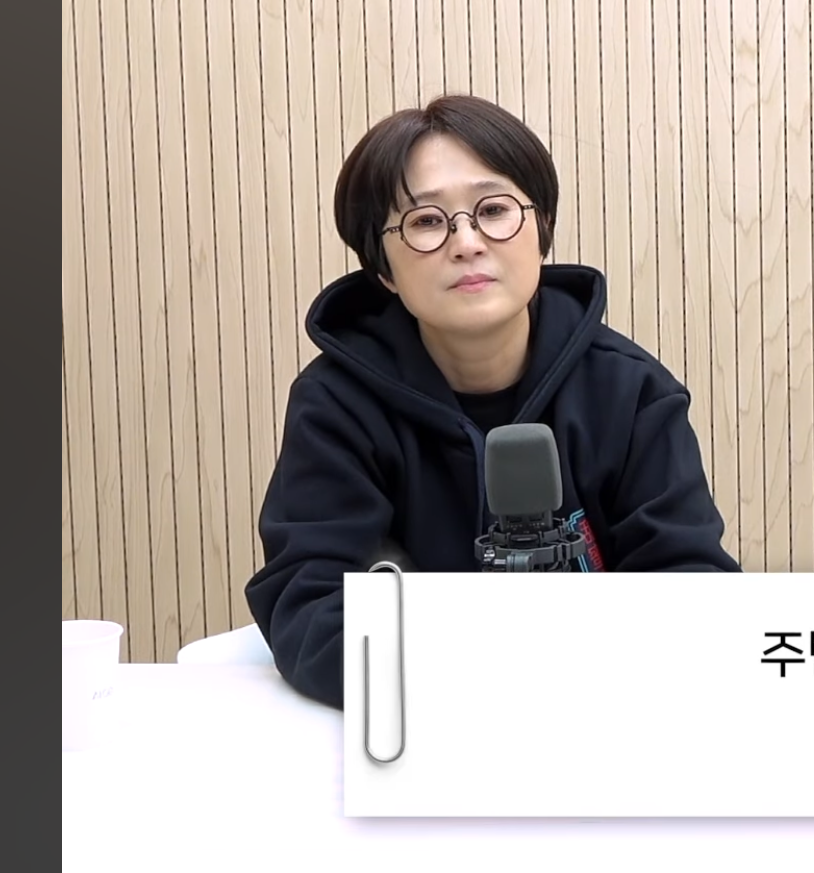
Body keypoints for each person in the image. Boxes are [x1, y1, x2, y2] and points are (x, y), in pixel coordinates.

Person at [247, 94, 740, 708]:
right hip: (423, 728)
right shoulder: (337, 404)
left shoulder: (630, 392)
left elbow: (693, 593)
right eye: (426, 222)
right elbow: (308, 604)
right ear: (383, 270)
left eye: (494, 210)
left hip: (599, 720)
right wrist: (479, 683)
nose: (467, 242)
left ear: (541, 231)